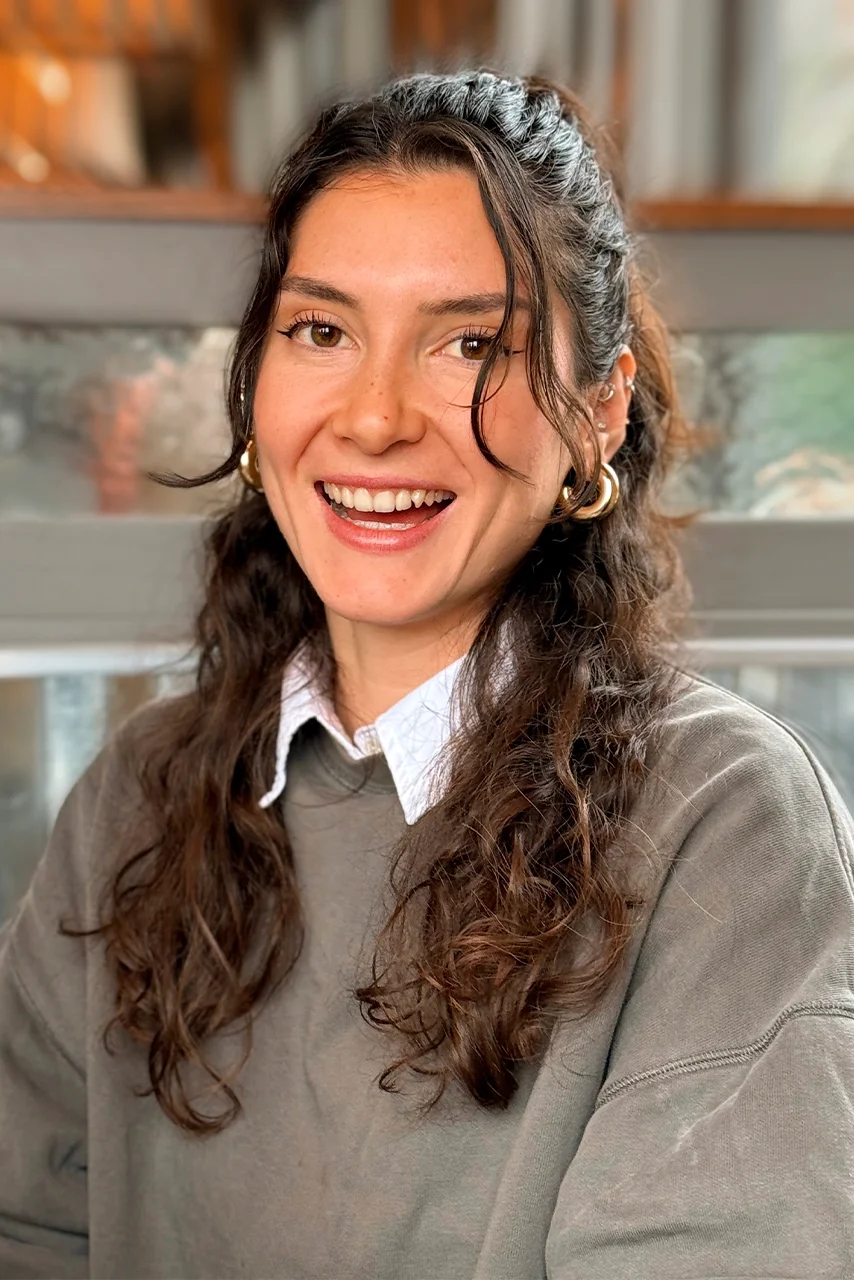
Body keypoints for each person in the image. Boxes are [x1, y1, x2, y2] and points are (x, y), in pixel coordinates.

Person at [1, 70, 853, 1280]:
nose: (375, 416)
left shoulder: (725, 831)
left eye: (471, 342)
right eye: (321, 330)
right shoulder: (141, 793)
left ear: (597, 414)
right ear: (253, 385)